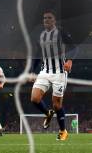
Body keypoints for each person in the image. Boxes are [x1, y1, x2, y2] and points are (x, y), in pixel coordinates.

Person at [30, 9, 76, 141]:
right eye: (45, 18)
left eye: (49, 18)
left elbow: (74, 48)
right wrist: (33, 70)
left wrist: (70, 60)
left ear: (54, 20)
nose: (47, 20)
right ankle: (47, 113)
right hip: (45, 72)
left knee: (57, 105)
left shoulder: (61, 32)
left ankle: (63, 131)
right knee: (34, 98)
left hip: (59, 73)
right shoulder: (42, 35)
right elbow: (38, 54)